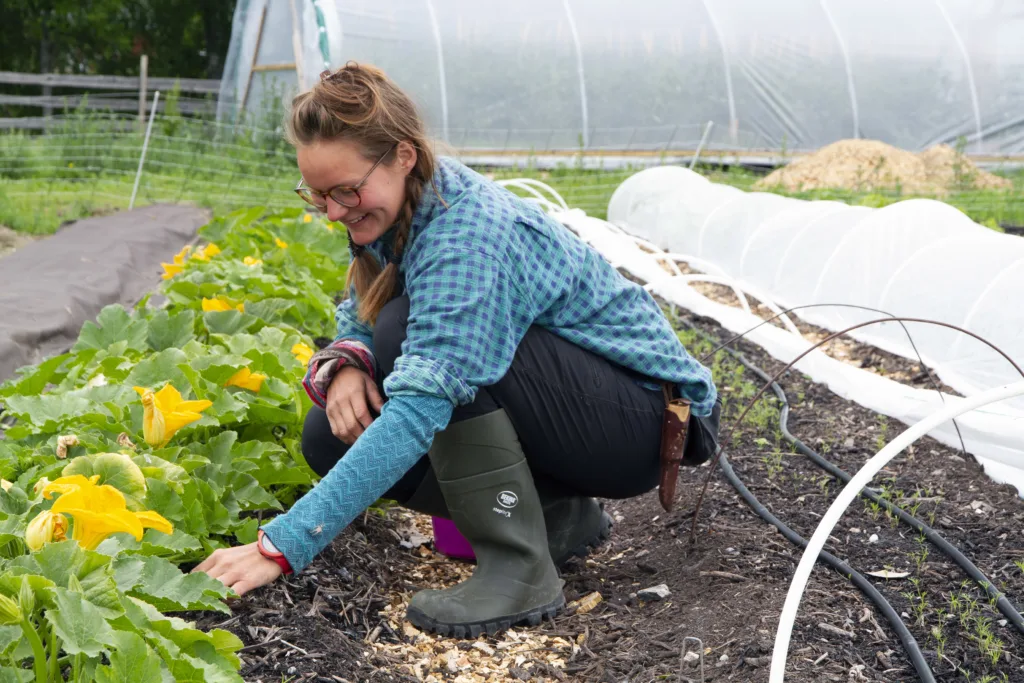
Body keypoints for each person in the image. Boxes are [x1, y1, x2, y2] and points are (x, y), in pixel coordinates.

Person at [193, 62, 720, 638]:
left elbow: (420, 407)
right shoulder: (398, 207)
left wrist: (282, 546)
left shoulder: (465, 233)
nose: (336, 211)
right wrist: (348, 360)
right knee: (330, 434)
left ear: (402, 155)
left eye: (347, 190)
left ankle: (518, 569)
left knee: (406, 335)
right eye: (318, 195)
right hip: (588, 411)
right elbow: (360, 307)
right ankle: (555, 520)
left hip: (647, 420)